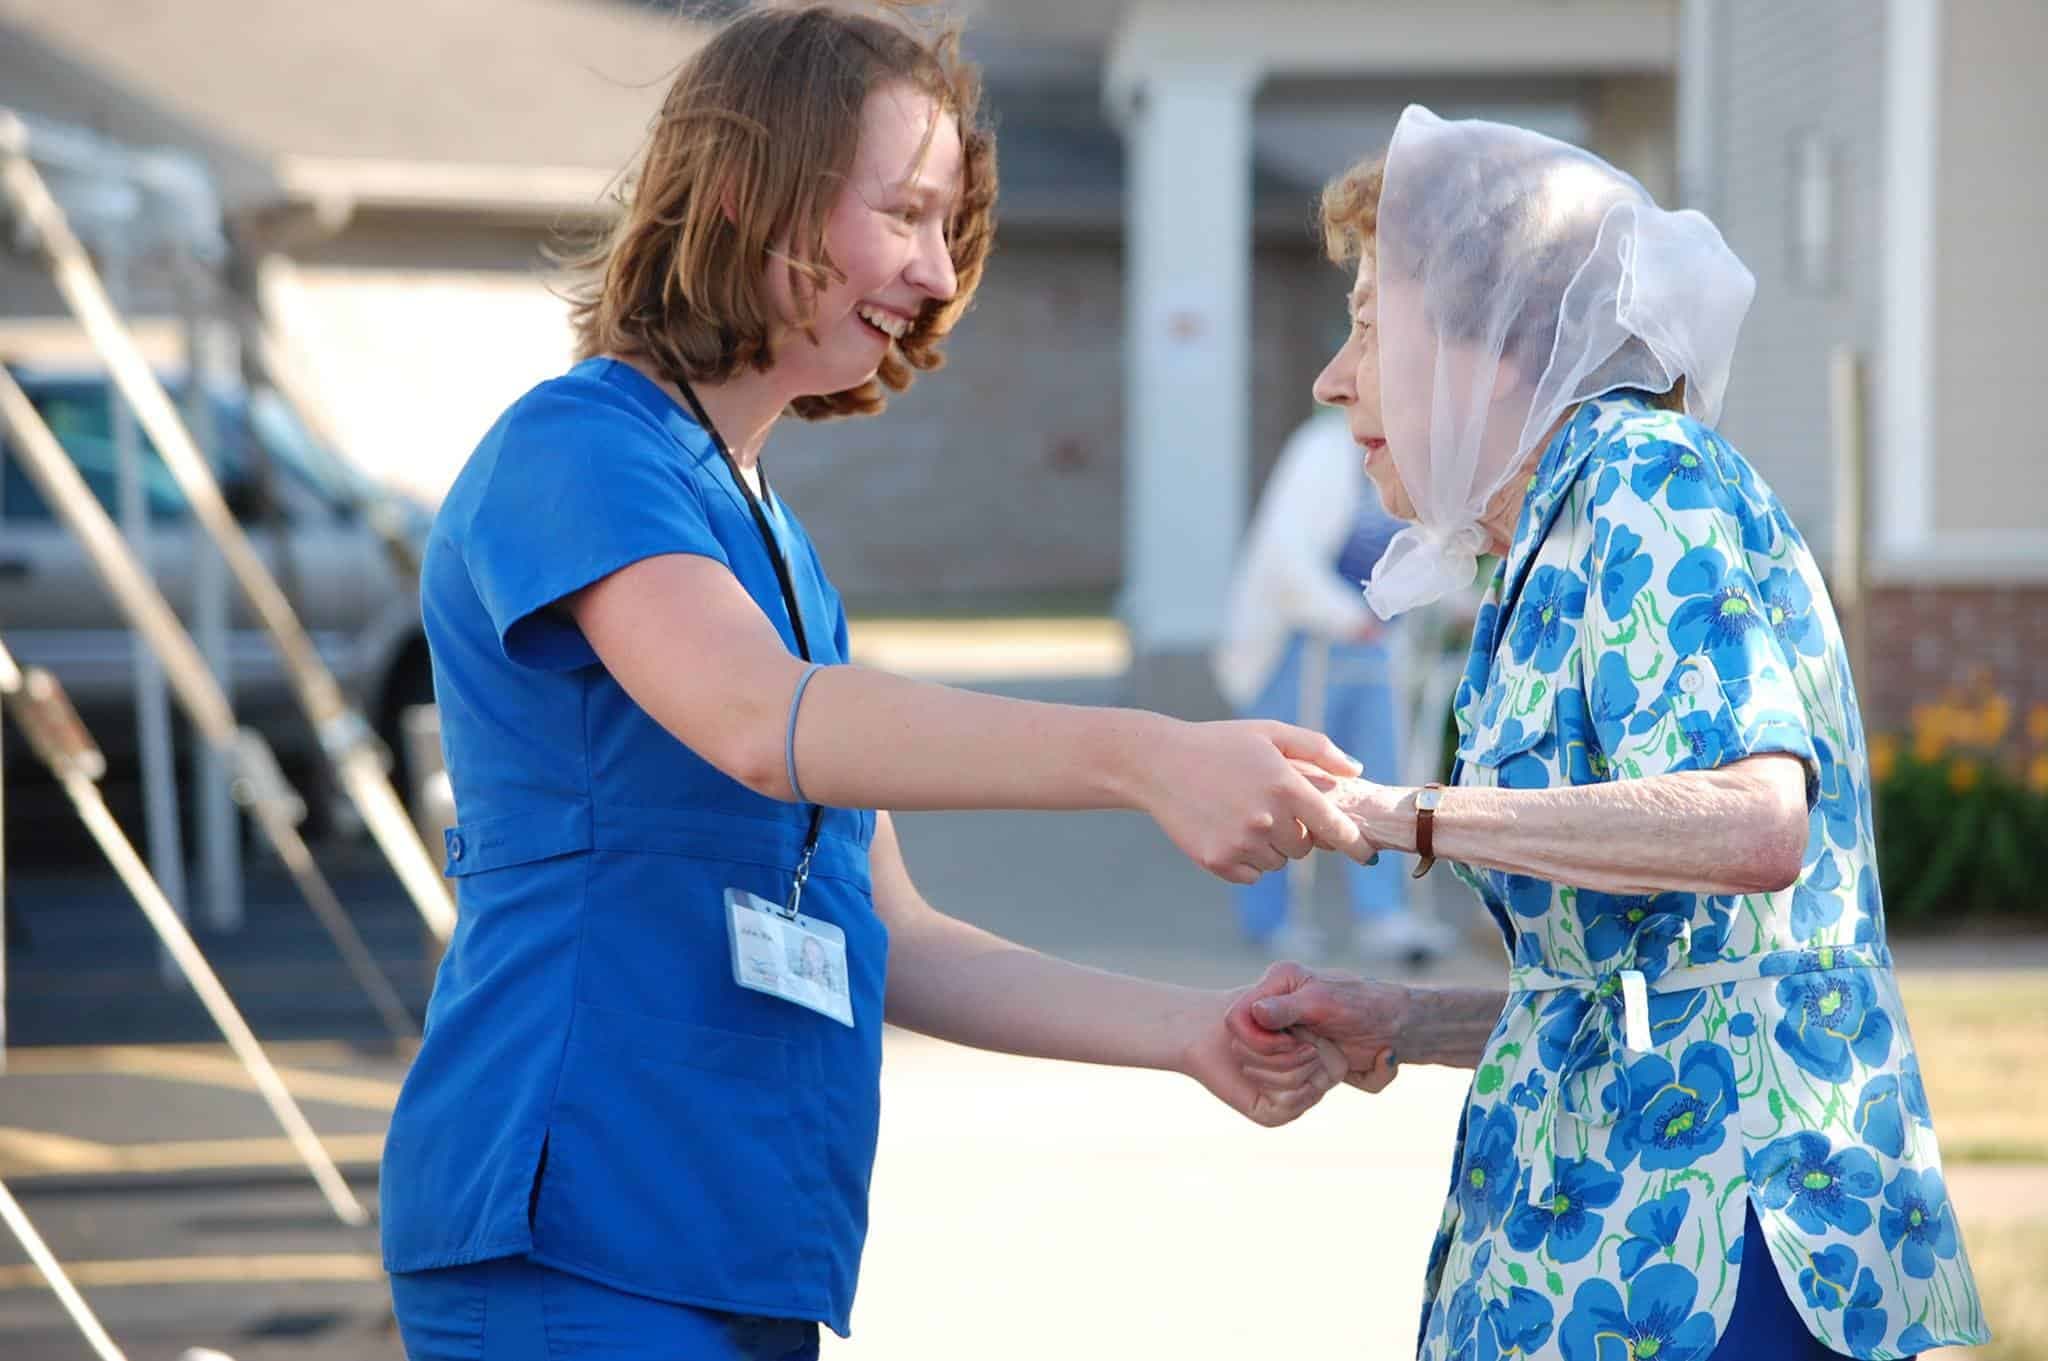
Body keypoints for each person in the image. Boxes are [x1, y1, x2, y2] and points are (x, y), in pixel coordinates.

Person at [377, 10, 1377, 1360]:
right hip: (578, 1236)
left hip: (740, 1245)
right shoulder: (574, 453)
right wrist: (1147, 756)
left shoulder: (772, 542)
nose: (931, 266)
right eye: (902, 212)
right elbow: (758, 723)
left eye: (944, 222)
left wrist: (1193, 1031)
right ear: (747, 194)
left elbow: (893, 932)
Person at [1234, 106, 1990, 1361]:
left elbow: (1755, 824)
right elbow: (1635, 979)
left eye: (1367, 326)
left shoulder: (1646, 477)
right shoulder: (1545, 536)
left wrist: (1397, 815)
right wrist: (1398, 1019)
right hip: (1603, 1231)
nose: (1331, 376)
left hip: (1720, 1240)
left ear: (1497, 345)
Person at [1213, 407, 1455, 964]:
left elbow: (1426, 552)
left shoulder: (1416, 451)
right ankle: (1272, 922)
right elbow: (1286, 556)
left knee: (1380, 773)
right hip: (1303, 642)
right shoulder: (1322, 449)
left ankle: (1384, 915)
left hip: (1374, 644)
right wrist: (1348, 617)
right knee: (1281, 782)